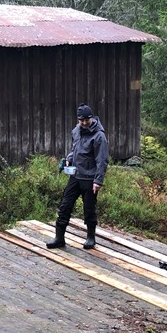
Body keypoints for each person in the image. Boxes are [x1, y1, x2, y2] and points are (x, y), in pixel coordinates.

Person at [46, 103, 109, 250]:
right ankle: (59, 238)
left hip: (90, 178)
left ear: (92, 118)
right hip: (75, 176)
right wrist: (69, 158)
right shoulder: (76, 131)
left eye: (87, 120)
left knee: (89, 208)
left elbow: (102, 160)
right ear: (79, 120)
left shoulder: (99, 136)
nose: (85, 123)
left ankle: (91, 238)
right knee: (65, 205)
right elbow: (74, 149)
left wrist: (98, 180)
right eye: (82, 121)